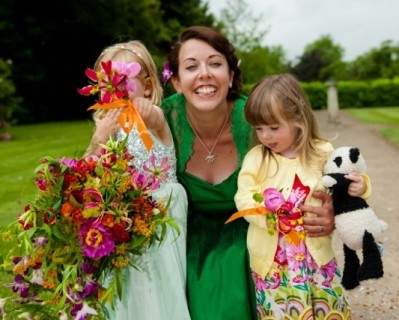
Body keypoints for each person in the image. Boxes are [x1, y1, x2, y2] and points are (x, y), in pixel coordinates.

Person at [161, 26, 336, 320]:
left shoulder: (258, 122)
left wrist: (330, 207)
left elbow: (309, 163)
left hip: (254, 234)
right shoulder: (160, 121)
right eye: (191, 67)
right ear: (177, 82)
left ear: (230, 75)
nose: (204, 73)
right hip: (187, 239)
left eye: (215, 63)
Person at [234, 73, 370, 319]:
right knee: (282, 312)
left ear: (298, 118)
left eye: (274, 128)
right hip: (274, 262)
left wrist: (361, 186)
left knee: (327, 306)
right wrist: (268, 214)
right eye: (259, 128)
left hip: (315, 257)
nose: (265, 136)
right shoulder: (257, 157)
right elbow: (243, 196)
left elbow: (345, 183)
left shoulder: (322, 153)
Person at [83, 40, 191, 320]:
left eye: (124, 82)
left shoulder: (154, 117)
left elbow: (153, 120)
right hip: (125, 219)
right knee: (128, 286)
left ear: (147, 85)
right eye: (109, 84)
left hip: (161, 215)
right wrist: (99, 138)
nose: (116, 91)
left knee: (160, 282)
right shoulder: (107, 127)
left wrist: (144, 107)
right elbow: (87, 171)